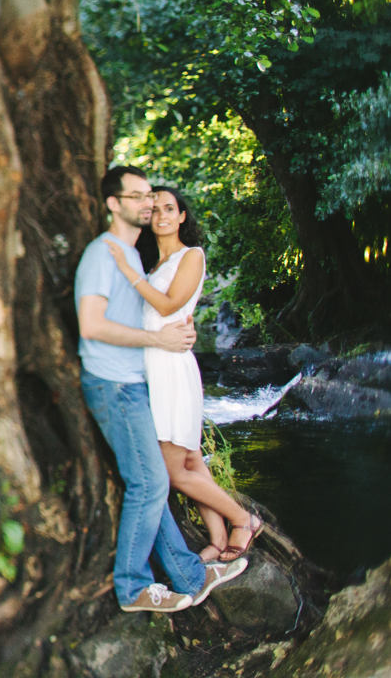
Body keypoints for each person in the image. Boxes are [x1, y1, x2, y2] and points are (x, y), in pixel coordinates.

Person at [74, 166, 248, 613]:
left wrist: (173, 333)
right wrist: (161, 337)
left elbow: (160, 309)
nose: (148, 205)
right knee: (155, 481)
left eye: (152, 197)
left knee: (158, 480)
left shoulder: (135, 258)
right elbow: (95, 324)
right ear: (113, 204)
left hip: (145, 379)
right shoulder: (107, 253)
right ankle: (134, 588)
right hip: (118, 383)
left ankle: (191, 573)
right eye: (138, 197)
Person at [106, 186, 264, 563]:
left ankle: (245, 520)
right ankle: (217, 538)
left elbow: (169, 304)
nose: (161, 214)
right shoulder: (155, 266)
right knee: (192, 463)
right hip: (153, 367)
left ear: (181, 216)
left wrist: (128, 272)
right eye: (154, 209)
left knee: (174, 472)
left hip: (171, 370)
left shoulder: (190, 256)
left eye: (169, 208)